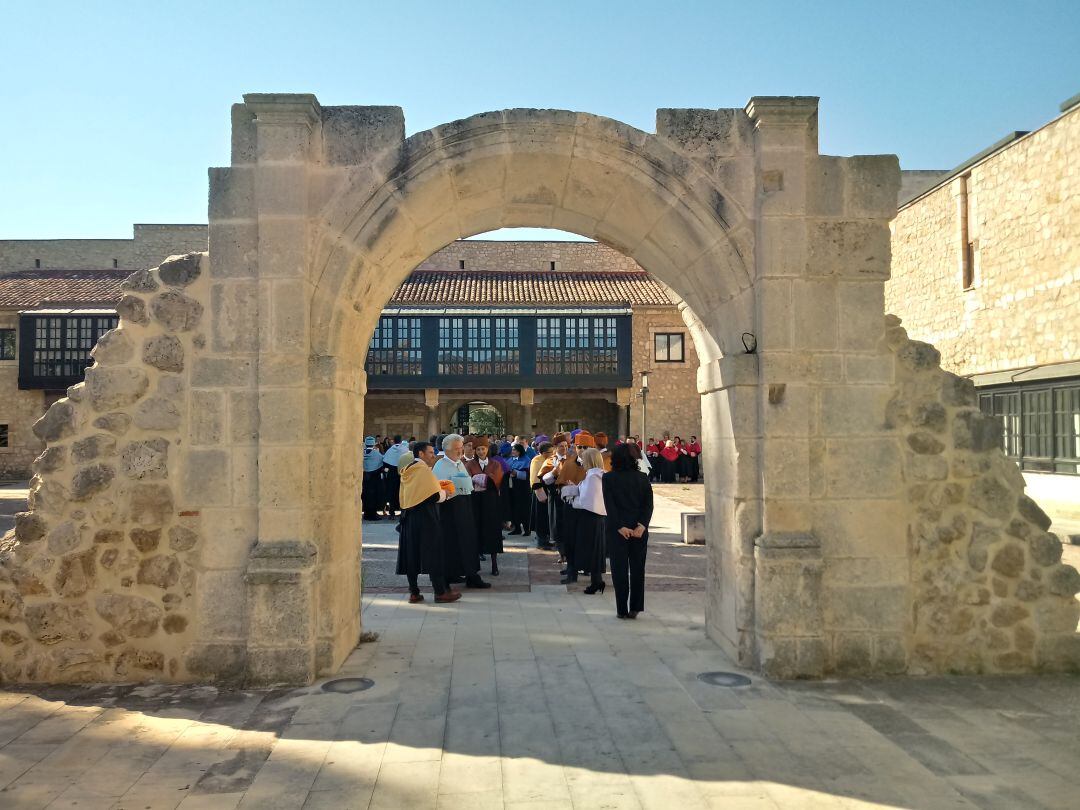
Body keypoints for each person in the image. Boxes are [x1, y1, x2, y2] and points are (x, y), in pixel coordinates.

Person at [395, 446, 460, 604]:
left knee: (412, 554)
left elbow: (417, 492)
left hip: (409, 517)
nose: (433, 455)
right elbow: (433, 496)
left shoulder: (408, 469)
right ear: (421, 453)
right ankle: (440, 592)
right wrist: (447, 493)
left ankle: (414, 592)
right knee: (434, 553)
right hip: (426, 518)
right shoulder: (422, 470)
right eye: (430, 452)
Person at [432, 434, 491, 589]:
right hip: (449, 509)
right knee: (451, 542)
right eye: (457, 448)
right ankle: (450, 574)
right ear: (447, 449)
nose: (460, 451)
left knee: (469, 540)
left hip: (465, 506)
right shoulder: (440, 465)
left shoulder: (459, 463)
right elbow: (439, 488)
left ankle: (472, 574)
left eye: (461, 447)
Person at [602, 443, 654, 619]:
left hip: (618, 530)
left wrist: (620, 526)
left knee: (619, 569)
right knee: (638, 569)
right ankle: (636, 606)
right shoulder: (642, 477)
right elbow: (648, 505)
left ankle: (621, 609)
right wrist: (642, 525)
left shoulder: (608, 478)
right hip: (639, 529)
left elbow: (610, 505)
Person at [565, 447, 607, 594]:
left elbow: (585, 501)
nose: (581, 462)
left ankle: (597, 582)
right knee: (594, 550)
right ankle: (597, 581)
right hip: (596, 517)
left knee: (592, 550)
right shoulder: (598, 475)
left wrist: (572, 498)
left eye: (584, 460)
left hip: (590, 517)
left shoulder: (592, 478)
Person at [465, 435, 504, 576]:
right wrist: (481, 479)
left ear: (487, 449)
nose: (481, 452)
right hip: (475, 502)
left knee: (492, 531)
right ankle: (475, 564)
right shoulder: (470, 464)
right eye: (478, 449)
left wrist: (481, 479)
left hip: (491, 502)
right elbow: (467, 479)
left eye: (483, 449)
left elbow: (497, 478)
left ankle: (494, 564)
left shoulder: (495, 464)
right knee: (475, 531)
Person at [555, 431, 591, 581]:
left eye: (584, 447)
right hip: (571, 508)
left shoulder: (595, 465)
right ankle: (572, 571)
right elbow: (560, 483)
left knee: (586, 540)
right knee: (570, 539)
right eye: (578, 446)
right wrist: (568, 489)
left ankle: (586, 567)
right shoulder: (569, 463)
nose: (581, 450)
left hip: (588, 509)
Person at [529, 441, 554, 548]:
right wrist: (541, 494)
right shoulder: (537, 460)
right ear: (544, 453)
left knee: (546, 517)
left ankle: (546, 539)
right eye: (551, 452)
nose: (553, 454)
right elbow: (535, 479)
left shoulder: (549, 459)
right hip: (540, 491)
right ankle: (541, 541)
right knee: (540, 517)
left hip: (548, 490)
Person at [506, 443, 532, 535]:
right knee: (514, 508)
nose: (513, 452)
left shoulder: (526, 460)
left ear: (520, 451)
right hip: (513, 488)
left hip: (523, 489)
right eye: (512, 450)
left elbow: (527, 475)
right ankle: (517, 528)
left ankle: (526, 529)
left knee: (524, 509)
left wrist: (516, 473)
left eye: (515, 450)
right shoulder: (510, 459)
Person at [382, 435, 409, 516]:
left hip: (392, 475)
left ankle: (392, 512)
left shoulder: (389, 450)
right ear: (401, 440)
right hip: (402, 474)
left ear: (394, 441)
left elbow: (385, 463)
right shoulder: (405, 450)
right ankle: (403, 511)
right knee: (402, 492)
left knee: (392, 493)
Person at [361, 436, 384, 521]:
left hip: (364, 479)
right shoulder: (377, 454)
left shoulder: (361, 453)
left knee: (365, 497)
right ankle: (373, 515)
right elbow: (381, 463)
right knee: (373, 498)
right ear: (374, 444)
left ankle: (366, 514)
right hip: (374, 480)